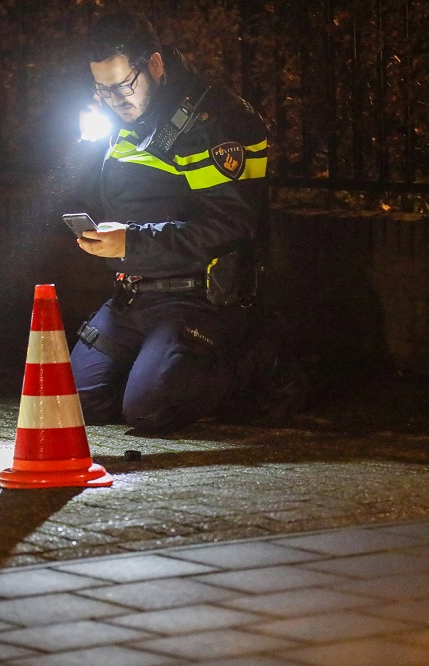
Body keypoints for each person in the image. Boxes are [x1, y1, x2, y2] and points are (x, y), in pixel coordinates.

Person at [61, 9, 274, 434]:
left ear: (155, 65)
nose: (114, 99)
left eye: (123, 85)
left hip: (196, 296)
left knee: (150, 411)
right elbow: (95, 197)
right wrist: (85, 144)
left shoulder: (212, 121)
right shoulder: (119, 119)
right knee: (69, 404)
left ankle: (262, 365)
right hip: (132, 295)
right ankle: (158, 369)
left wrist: (132, 243)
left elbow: (231, 225)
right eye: (102, 88)